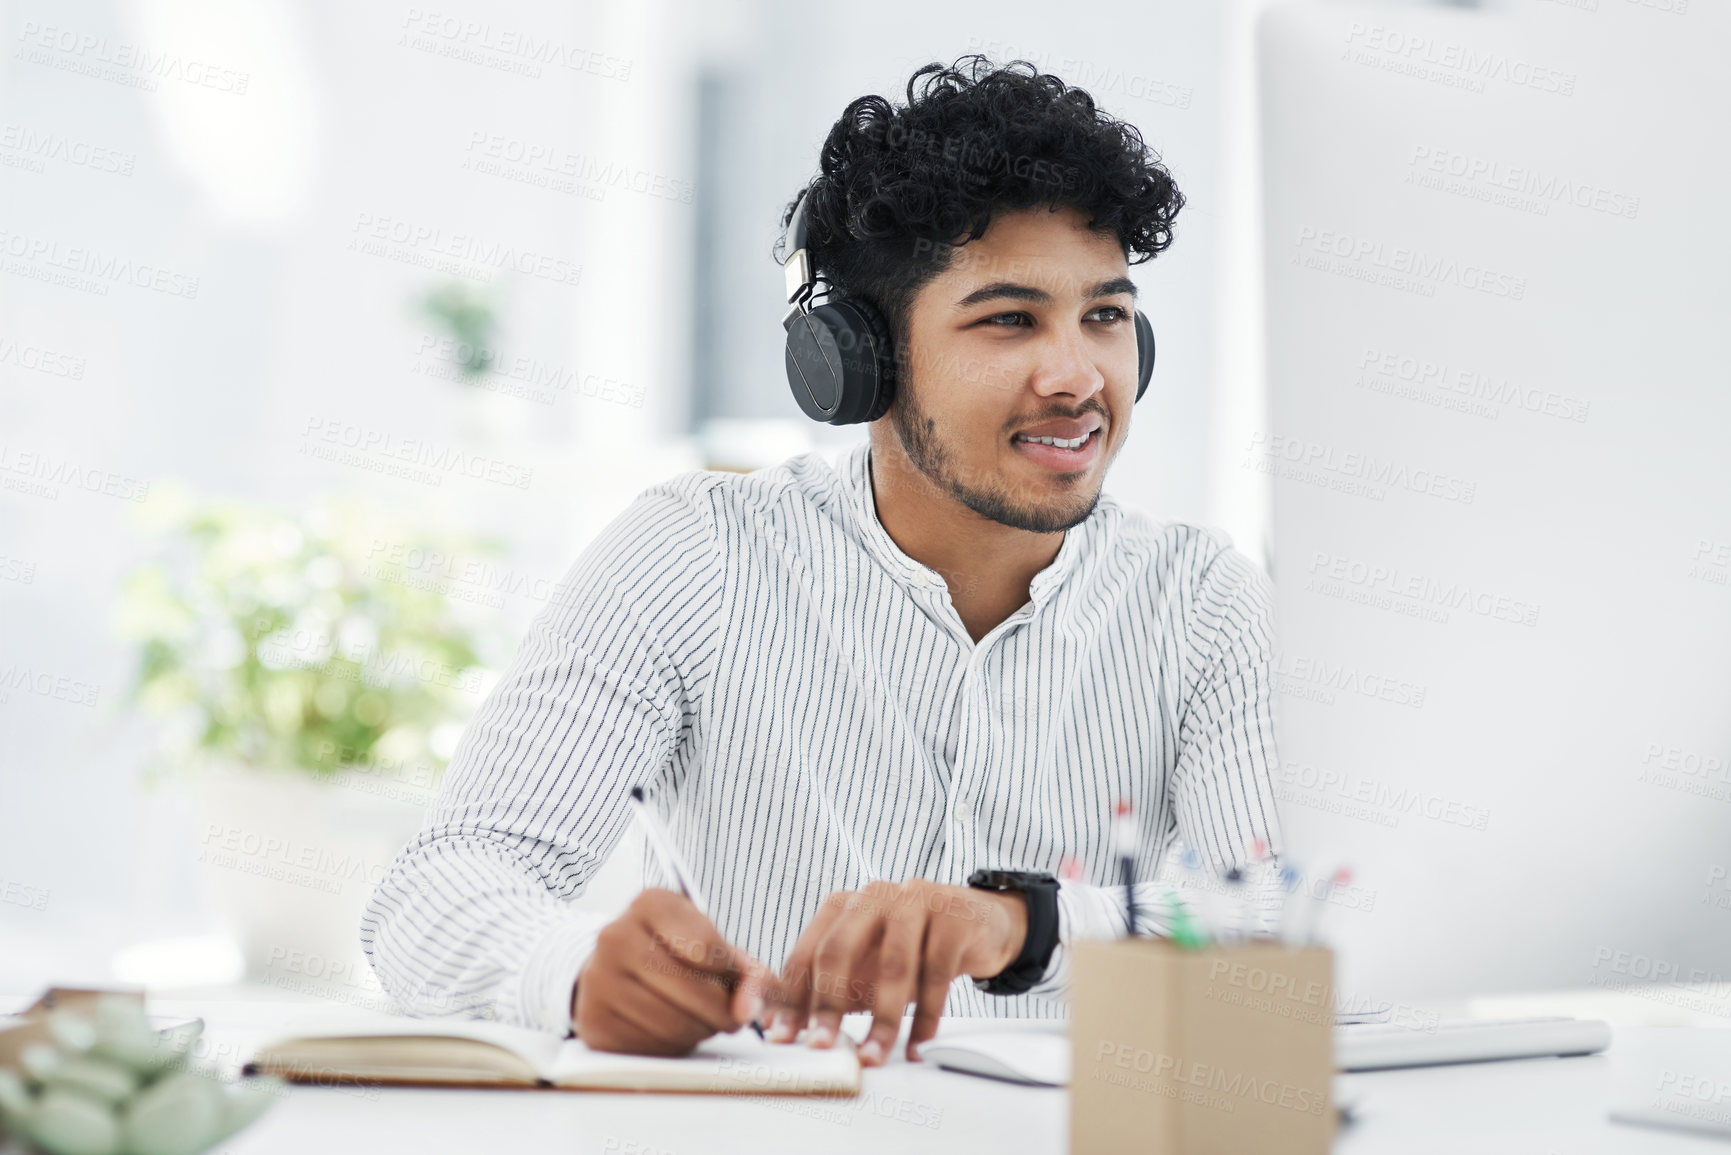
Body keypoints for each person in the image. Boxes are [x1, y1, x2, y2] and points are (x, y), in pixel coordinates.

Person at [361, 54, 1282, 1070]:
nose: (1078, 376)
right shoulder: (697, 555)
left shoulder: (1202, 601)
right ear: (852, 359)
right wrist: (570, 971)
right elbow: (435, 891)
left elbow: (1275, 926)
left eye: (1105, 316)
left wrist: (1025, 927)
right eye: (1010, 319)